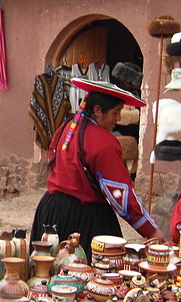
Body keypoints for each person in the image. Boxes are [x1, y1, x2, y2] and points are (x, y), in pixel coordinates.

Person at [31, 79, 166, 262]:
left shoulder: (66, 128)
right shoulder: (103, 143)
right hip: (85, 219)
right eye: (115, 112)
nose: (118, 119)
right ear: (97, 110)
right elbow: (121, 196)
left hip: (51, 211)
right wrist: (152, 231)